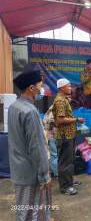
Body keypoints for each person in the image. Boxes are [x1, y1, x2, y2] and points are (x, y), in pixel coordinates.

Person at [8, 70, 52, 221]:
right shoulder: (30, 111)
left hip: (19, 169)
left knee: (23, 210)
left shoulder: (14, 107)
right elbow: (36, 147)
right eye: (40, 85)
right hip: (31, 172)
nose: (42, 88)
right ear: (31, 88)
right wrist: (44, 175)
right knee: (32, 212)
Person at [52, 78, 85, 195]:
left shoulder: (64, 99)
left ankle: (69, 181)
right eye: (68, 86)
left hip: (69, 134)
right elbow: (60, 120)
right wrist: (76, 119)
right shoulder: (60, 101)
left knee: (69, 160)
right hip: (64, 136)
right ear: (62, 88)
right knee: (65, 162)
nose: (71, 88)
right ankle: (65, 187)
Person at [44, 105, 58, 178]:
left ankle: (54, 171)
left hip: (52, 135)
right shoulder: (55, 107)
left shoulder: (53, 107)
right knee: (55, 155)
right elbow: (51, 121)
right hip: (52, 136)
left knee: (54, 154)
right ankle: (56, 174)